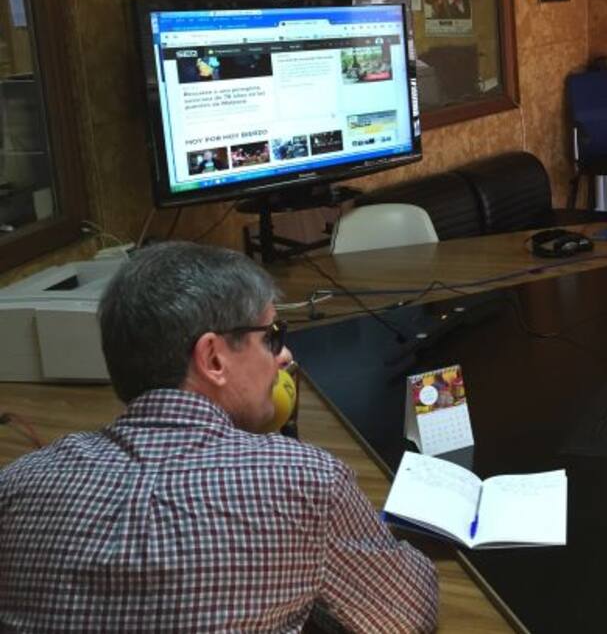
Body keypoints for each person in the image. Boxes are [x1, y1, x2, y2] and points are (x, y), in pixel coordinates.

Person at [0, 242, 438, 633]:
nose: (284, 355)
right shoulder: (306, 482)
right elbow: (407, 612)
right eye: (271, 337)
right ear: (212, 358)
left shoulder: (16, 484)